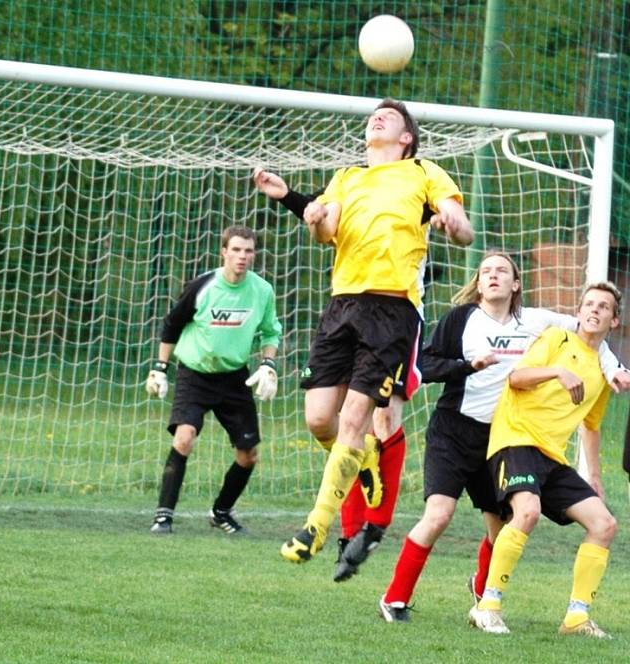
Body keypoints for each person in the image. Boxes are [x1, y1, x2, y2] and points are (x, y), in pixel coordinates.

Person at [255, 98, 474, 564]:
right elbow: (326, 230)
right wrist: (303, 208)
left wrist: (453, 221)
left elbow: (463, 230)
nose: (377, 117)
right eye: (374, 115)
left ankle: (315, 527)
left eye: (389, 117)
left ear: (406, 137)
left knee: (356, 418)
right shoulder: (347, 177)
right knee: (319, 419)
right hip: (342, 305)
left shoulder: (423, 173)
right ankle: (368, 458)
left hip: (391, 309)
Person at [378, 253, 628, 623]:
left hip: (499, 437)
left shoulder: (536, 321)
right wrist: (467, 366)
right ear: (478, 283)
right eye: (486, 272)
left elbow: (591, 332)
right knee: (439, 514)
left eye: (502, 271)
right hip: (455, 430)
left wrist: (613, 368)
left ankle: (483, 592)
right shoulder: (461, 319)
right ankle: (395, 598)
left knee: (502, 527)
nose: (493, 276)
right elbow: (425, 365)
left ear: (515, 284)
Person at [469, 281, 622, 638]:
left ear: (613, 321)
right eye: (589, 304)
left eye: (603, 307)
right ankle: (487, 606)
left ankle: (576, 618)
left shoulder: (604, 371)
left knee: (604, 525)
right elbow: (516, 378)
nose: (594, 310)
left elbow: (591, 426)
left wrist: (595, 477)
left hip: (552, 457)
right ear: (580, 311)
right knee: (527, 512)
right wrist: (558, 371)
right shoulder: (557, 338)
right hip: (516, 439)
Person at [146, 225, 282, 535]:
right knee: (184, 438)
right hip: (195, 375)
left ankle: (221, 512)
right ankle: (163, 516)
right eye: (235, 250)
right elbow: (172, 325)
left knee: (249, 455)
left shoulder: (262, 291)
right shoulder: (203, 286)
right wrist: (160, 367)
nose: (242, 256)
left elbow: (271, 330)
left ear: (254, 254)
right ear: (223, 252)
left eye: (248, 250)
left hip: (234, 379)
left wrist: (268, 364)